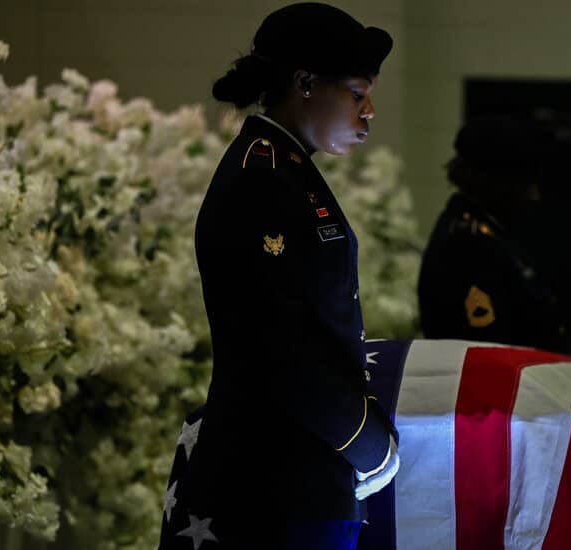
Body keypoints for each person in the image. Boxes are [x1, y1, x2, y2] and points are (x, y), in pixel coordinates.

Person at [158, 4, 398, 549]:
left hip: (301, 475)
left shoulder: (288, 171)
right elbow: (282, 351)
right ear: (306, 83)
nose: (369, 111)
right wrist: (365, 440)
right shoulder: (262, 181)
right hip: (274, 487)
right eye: (357, 93)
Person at [417, 114, 571, 356]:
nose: (534, 195)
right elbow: (488, 349)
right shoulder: (467, 244)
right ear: (491, 181)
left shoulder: (494, 234)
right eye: (524, 184)